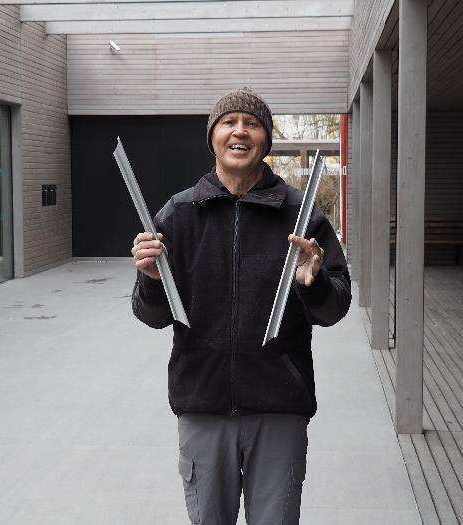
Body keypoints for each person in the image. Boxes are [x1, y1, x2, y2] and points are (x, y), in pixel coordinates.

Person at [131, 87, 351, 525]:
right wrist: (152, 279)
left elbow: (334, 309)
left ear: (266, 140)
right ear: (212, 137)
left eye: (252, 124)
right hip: (203, 405)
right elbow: (151, 316)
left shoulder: (300, 213)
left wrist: (315, 284)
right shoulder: (179, 214)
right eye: (228, 122)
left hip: (279, 404)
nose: (240, 131)